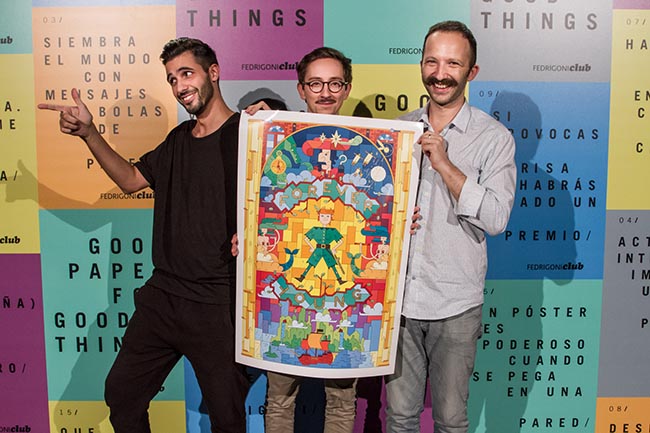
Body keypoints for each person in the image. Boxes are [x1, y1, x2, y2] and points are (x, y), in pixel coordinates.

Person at [38, 37, 249, 433]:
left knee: (227, 418)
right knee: (122, 394)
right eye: (172, 79)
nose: (180, 86)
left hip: (217, 304)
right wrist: (89, 133)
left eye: (186, 73)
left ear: (213, 73)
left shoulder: (248, 135)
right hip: (162, 298)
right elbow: (132, 180)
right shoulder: (177, 140)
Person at [384, 21, 516, 433]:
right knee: (399, 419)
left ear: (471, 71)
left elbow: (496, 219)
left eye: (453, 64)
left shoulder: (494, 138)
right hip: (399, 301)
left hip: (455, 305)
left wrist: (444, 164)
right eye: (432, 62)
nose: (440, 74)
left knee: (451, 421)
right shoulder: (398, 130)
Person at [243, 46, 357, 433]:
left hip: (344, 300)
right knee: (279, 398)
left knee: (342, 400)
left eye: (335, 83)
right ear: (301, 89)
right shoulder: (278, 142)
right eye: (316, 83)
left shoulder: (368, 145)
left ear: (347, 89)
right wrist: (259, 126)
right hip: (287, 292)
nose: (325, 92)